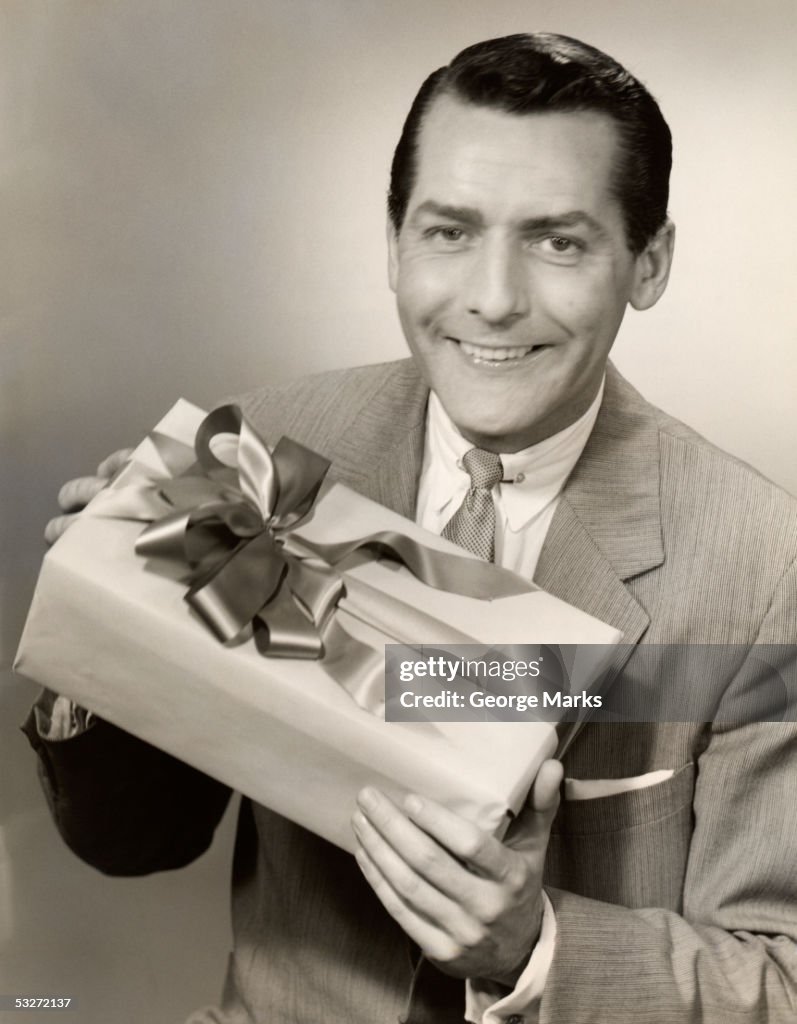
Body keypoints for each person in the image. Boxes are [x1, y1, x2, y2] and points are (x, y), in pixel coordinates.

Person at [24, 32, 797, 1024]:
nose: (491, 298)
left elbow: (779, 981)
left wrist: (534, 949)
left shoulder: (763, 561)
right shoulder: (268, 446)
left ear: (646, 263)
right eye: (448, 231)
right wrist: (102, 623)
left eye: (557, 240)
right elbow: (136, 840)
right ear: (390, 244)